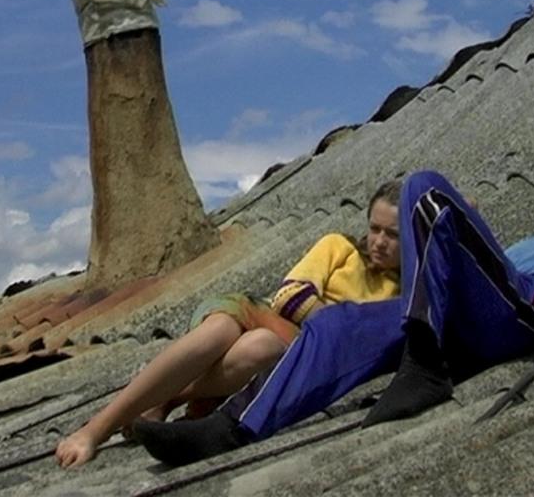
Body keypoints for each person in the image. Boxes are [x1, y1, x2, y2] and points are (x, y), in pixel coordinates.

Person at [130, 165, 534, 465]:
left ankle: (422, 361)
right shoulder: (512, 256)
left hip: (523, 316)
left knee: (422, 186)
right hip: (457, 324)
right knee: (336, 324)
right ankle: (230, 428)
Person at [54, 179, 404, 468]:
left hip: (291, 347)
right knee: (221, 331)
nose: (379, 241)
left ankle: (168, 396)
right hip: (260, 313)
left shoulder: (401, 293)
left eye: (393, 234)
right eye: (374, 228)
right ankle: (97, 428)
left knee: (261, 347)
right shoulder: (339, 247)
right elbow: (290, 296)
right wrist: (338, 323)